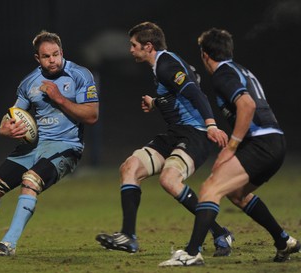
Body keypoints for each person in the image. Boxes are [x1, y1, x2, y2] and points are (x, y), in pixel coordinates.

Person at [159, 28, 300, 267]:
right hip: (275, 142)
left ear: (205, 55)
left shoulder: (223, 74)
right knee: (237, 194)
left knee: (210, 188)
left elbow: (247, 106)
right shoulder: (239, 70)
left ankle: (192, 253)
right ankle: (283, 240)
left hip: (262, 143)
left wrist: (232, 146)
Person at [0, 30, 99, 256]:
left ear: (62, 52)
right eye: (46, 56)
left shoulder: (80, 75)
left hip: (65, 147)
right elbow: (14, 114)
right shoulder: (29, 82)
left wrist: (58, 98)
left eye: (56, 54)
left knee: (30, 181)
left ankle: (8, 244)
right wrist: (4, 128)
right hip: (33, 147)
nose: (52, 60)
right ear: (37, 59)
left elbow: (91, 116)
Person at [95, 22, 232, 257]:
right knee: (130, 167)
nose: (130, 50)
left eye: (134, 45)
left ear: (148, 46)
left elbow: (195, 93)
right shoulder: (164, 64)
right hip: (175, 133)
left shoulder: (166, 65)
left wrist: (211, 125)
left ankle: (219, 232)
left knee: (169, 180)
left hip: (196, 134)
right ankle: (128, 236)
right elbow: (183, 89)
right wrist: (156, 102)